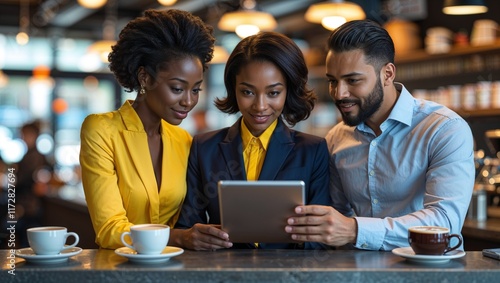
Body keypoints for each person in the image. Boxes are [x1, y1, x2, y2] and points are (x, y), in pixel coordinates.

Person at [284, 20, 475, 251]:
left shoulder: (444, 129)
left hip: (430, 272)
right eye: (333, 81)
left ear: (387, 73)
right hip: (360, 272)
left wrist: (355, 230)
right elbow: (337, 218)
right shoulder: (336, 138)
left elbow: (445, 222)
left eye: (353, 80)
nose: (339, 93)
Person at [173, 31, 332, 250]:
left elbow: (321, 240)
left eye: (273, 93)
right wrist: (196, 237)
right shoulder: (204, 148)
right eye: (247, 92)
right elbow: (187, 226)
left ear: (289, 90)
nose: (260, 106)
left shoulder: (313, 151)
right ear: (233, 89)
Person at [79, 9, 215, 249]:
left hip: (174, 266)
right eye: (177, 88)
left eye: (195, 90)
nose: (189, 101)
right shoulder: (101, 129)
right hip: (119, 266)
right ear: (145, 78)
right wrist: (179, 237)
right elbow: (109, 229)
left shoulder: (183, 139)